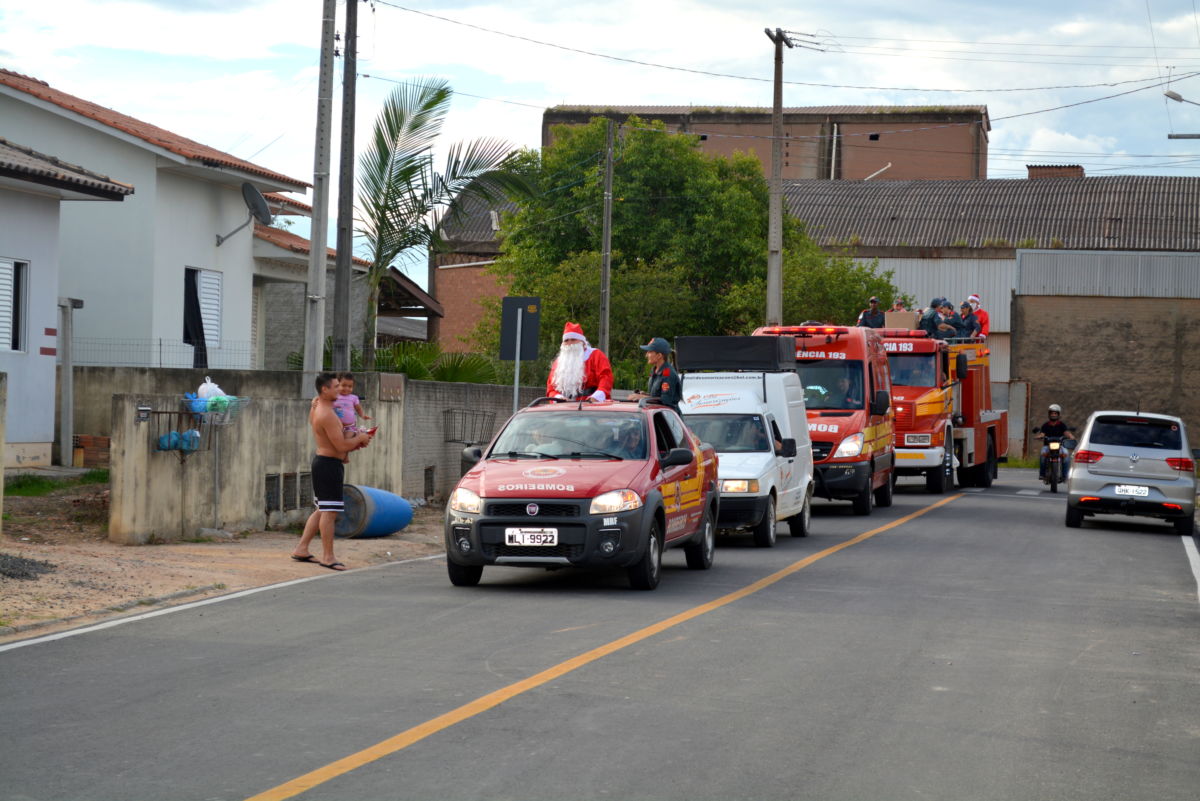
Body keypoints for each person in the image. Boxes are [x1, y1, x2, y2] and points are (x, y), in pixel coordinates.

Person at [291, 372, 374, 571]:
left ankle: (301, 548)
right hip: (328, 465)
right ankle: (328, 557)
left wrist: (355, 441)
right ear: (325, 389)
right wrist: (360, 439)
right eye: (336, 387)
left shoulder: (321, 407)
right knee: (330, 512)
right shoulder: (326, 414)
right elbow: (339, 445)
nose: (340, 390)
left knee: (323, 509)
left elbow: (339, 442)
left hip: (326, 463)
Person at [546, 322, 613, 402]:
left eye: (573, 339)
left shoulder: (595, 355)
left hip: (591, 405)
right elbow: (551, 388)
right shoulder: (558, 363)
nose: (569, 343)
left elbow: (606, 377)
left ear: (583, 342)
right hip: (564, 408)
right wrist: (558, 397)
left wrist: (597, 396)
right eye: (566, 340)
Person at [628, 336, 682, 412]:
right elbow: (657, 396)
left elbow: (666, 401)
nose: (646, 355)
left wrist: (642, 397)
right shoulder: (654, 370)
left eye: (649, 352)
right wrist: (646, 395)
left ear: (659, 355)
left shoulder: (668, 374)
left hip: (668, 420)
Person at [333, 372, 375, 460]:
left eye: (350, 386)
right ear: (337, 384)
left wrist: (362, 415)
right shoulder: (334, 396)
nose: (347, 388)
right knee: (337, 442)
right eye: (344, 385)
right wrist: (315, 401)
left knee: (347, 439)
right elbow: (322, 399)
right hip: (336, 426)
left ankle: (345, 455)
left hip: (349, 427)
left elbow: (358, 408)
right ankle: (338, 455)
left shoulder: (353, 398)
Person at [1033, 403, 1076, 482]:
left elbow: (1066, 432)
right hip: (1047, 446)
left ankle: (1064, 476)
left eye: (1055, 413)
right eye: (1052, 413)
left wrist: (1071, 436)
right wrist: (1039, 436)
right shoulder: (1045, 425)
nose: (1053, 415)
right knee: (1043, 454)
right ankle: (1042, 474)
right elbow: (1042, 433)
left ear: (1058, 414)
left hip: (1060, 446)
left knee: (1066, 455)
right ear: (1049, 414)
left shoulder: (1062, 425)